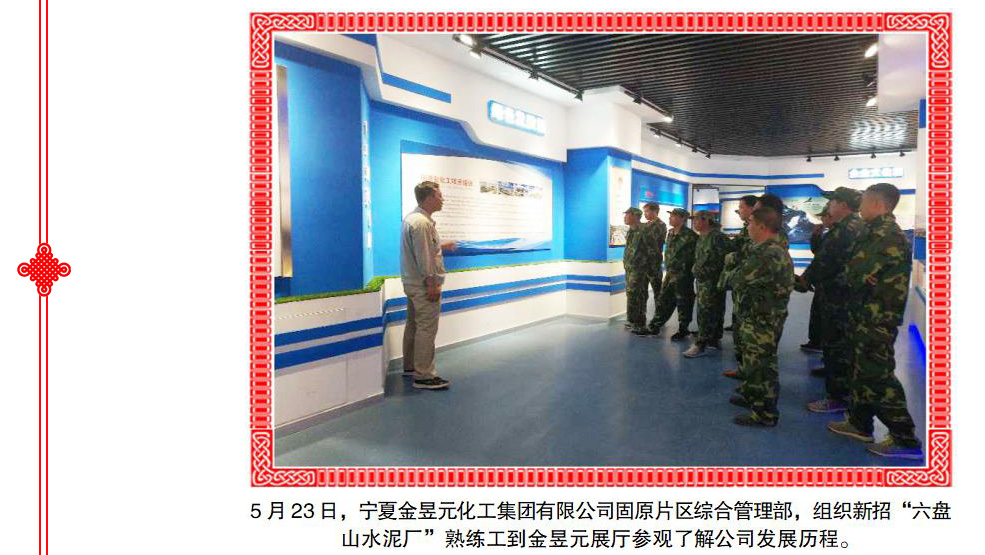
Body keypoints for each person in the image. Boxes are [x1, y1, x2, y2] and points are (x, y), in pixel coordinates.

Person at [827, 183, 923, 459]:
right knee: (860, 371)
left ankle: (905, 439)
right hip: (862, 313)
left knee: (877, 375)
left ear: (878, 204)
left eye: (865, 201)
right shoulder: (871, 231)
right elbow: (856, 271)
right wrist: (858, 274)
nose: (860, 207)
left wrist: (858, 275)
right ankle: (860, 423)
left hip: (876, 318)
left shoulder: (887, 235)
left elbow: (855, 272)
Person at [796, 188, 865, 413]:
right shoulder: (854, 226)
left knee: (837, 345)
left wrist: (804, 281)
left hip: (839, 296)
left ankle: (838, 397)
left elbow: (825, 262)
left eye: (833, 201)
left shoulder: (845, 230)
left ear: (843, 205)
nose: (829, 206)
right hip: (840, 295)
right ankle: (835, 379)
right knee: (835, 343)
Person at [729, 207, 794, 427]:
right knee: (755, 362)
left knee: (761, 366)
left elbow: (737, 279)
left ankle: (764, 413)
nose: (747, 227)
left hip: (762, 319)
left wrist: (730, 269)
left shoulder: (767, 253)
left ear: (762, 226)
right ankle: (753, 397)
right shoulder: (771, 249)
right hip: (761, 316)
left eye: (750, 223)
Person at [400, 181, 456, 390]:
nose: (443, 199)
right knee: (426, 329)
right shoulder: (422, 223)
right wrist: (432, 283)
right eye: (439, 196)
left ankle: (410, 366)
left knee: (413, 325)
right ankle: (424, 375)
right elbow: (424, 258)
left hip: (412, 283)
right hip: (424, 286)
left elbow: (422, 249)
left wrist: (441, 246)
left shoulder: (413, 219)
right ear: (429, 198)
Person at [641, 208, 697, 340]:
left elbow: (695, 256)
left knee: (684, 302)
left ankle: (683, 329)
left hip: (683, 276)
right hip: (670, 274)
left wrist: (688, 272)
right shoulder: (671, 233)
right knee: (663, 300)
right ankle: (654, 327)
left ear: (682, 219)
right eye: (670, 215)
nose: (670, 218)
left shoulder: (691, 236)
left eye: (673, 216)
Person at [721, 195, 759, 379]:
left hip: (754, 290)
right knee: (740, 324)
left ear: (752, 208)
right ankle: (743, 364)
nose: (739, 211)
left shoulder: (767, 232)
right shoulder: (747, 228)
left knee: (754, 336)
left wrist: (733, 257)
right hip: (742, 285)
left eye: (741, 207)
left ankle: (755, 380)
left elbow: (753, 255)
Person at [684, 210, 730, 358]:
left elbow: (728, 258)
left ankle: (701, 344)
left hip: (713, 281)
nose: (694, 222)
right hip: (703, 281)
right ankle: (713, 339)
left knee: (707, 311)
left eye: (697, 219)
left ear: (706, 220)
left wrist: (721, 277)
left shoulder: (717, 237)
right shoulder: (702, 237)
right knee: (710, 310)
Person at [800, 205, 834, 353]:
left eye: (824, 217)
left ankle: (822, 344)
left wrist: (807, 278)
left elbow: (822, 259)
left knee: (826, 316)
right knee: (817, 312)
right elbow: (818, 252)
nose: (822, 220)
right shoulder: (829, 235)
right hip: (822, 282)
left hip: (830, 283)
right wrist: (815, 237)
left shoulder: (838, 235)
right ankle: (816, 341)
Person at [622, 207, 657, 334]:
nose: (625, 217)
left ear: (635, 216)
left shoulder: (645, 230)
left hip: (640, 268)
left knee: (638, 294)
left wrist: (651, 269)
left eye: (627, 215)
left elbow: (652, 250)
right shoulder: (631, 231)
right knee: (631, 294)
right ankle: (632, 320)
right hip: (630, 268)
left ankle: (638, 322)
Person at [641, 202, 668, 326]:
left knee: (658, 293)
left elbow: (651, 240)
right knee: (642, 293)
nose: (645, 214)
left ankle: (659, 319)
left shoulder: (660, 225)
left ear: (655, 212)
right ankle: (640, 318)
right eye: (644, 211)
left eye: (647, 211)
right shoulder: (646, 225)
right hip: (643, 264)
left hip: (654, 264)